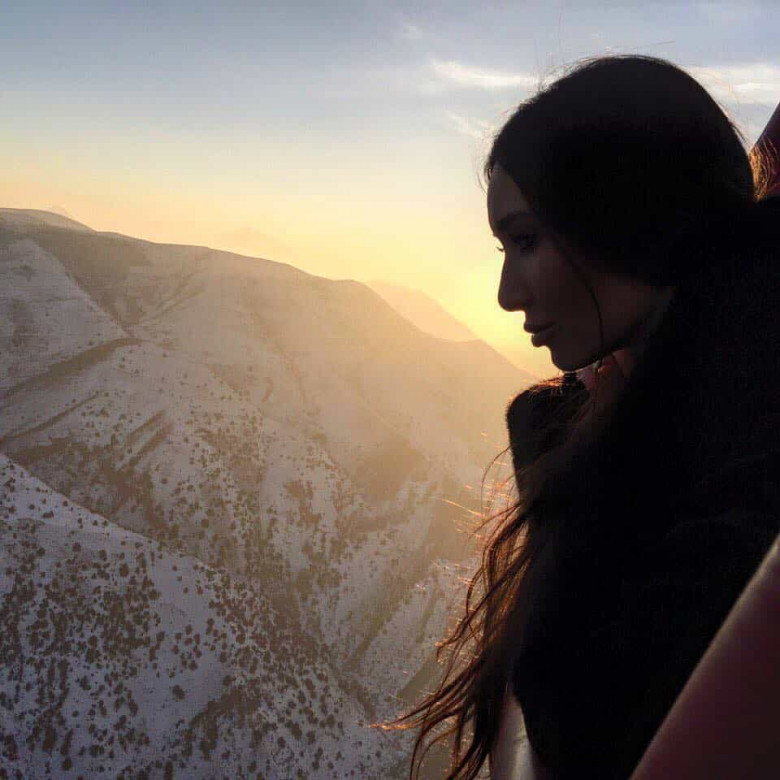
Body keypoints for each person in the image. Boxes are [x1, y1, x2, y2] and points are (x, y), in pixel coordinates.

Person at [389, 54, 780, 779]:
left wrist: (575, 450)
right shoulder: (717, 369)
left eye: (527, 240)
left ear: (627, 215)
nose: (506, 294)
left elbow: (583, 716)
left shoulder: (749, 416)